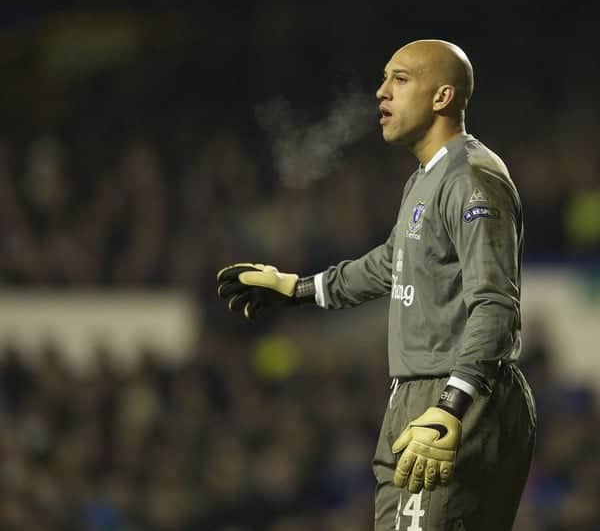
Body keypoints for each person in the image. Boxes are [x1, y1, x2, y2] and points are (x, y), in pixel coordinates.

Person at [216, 39, 536, 530]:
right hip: (427, 393)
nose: (381, 92)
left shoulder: (472, 179)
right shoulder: (424, 181)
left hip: (455, 396)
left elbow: (495, 306)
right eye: (385, 78)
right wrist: (297, 289)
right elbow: (393, 262)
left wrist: (452, 406)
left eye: (400, 79)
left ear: (442, 96)